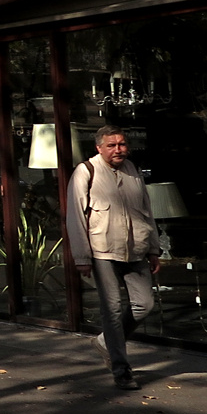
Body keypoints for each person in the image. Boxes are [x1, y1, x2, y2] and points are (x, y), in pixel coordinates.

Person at [65, 125, 159, 391]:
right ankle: (122, 370)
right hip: (102, 249)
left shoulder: (133, 170)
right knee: (113, 310)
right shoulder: (87, 171)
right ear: (99, 147)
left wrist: (153, 248)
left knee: (145, 304)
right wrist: (81, 257)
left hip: (136, 249)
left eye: (122, 144)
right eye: (111, 145)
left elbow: (147, 211)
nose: (118, 149)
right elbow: (75, 215)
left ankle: (106, 342)